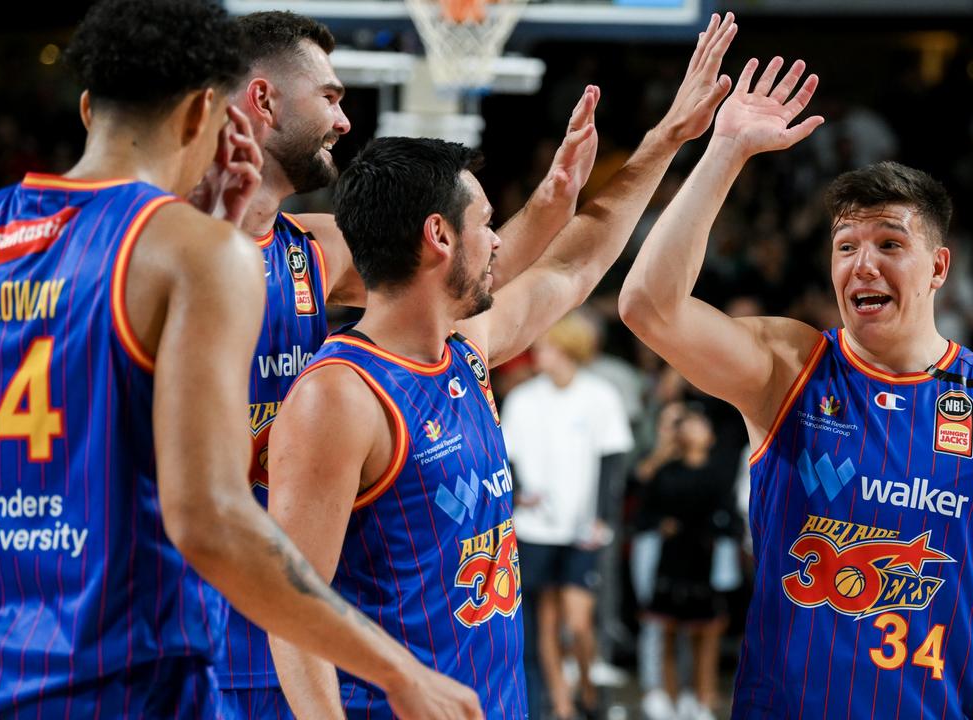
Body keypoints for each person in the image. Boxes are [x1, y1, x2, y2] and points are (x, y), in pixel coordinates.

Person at [0, 1, 473, 718]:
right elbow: (207, 517)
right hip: (131, 676)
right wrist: (397, 670)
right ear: (202, 114)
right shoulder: (193, 253)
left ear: (89, 107)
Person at [263, 13, 738, 718]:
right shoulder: (339, 397)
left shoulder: (466, 349)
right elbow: (291, 611)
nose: (498, 243)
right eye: (486, 222)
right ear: (438, 236)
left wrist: (664, 141)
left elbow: (577, 265)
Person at [617, 55, 973, 718]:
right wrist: (724, 151)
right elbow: (648, 307)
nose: (863, 264)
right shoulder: (789, 366)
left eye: (890, 244)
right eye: (845, 246)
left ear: (939, 266)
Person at [215, 14, 599, 716]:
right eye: (330, 97)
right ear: (264, 102)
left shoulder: (309, 248)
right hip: (214, 628)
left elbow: (451, 267)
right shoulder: (158, 253)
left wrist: (554, 198)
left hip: (310, 612)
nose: (343, 117)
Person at [501, 310, 633, 720]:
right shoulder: (523, 399)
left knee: (579, 624)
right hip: (535, 528)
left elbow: (613, 462)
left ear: (567, 349)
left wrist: (602, 518)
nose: (537, 353)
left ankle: (589, 693)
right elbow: (511, 457)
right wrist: (520, 493)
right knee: (545, 621)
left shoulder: (600, 396)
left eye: (545, 346)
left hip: (582, 529)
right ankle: (561, 706)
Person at [638, 404, 740, 720]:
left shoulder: (718, 475)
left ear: (710, 436)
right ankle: (670, 696)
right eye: (687, 425)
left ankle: (702, 697)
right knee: (667, 629)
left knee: (705, 633)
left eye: (699, 424)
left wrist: (717, 530)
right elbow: (644, 509)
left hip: (704, 560)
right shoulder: (666, 472)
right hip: (671, 559)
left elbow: (731, 519)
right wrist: (661, 524)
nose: (691, 430)